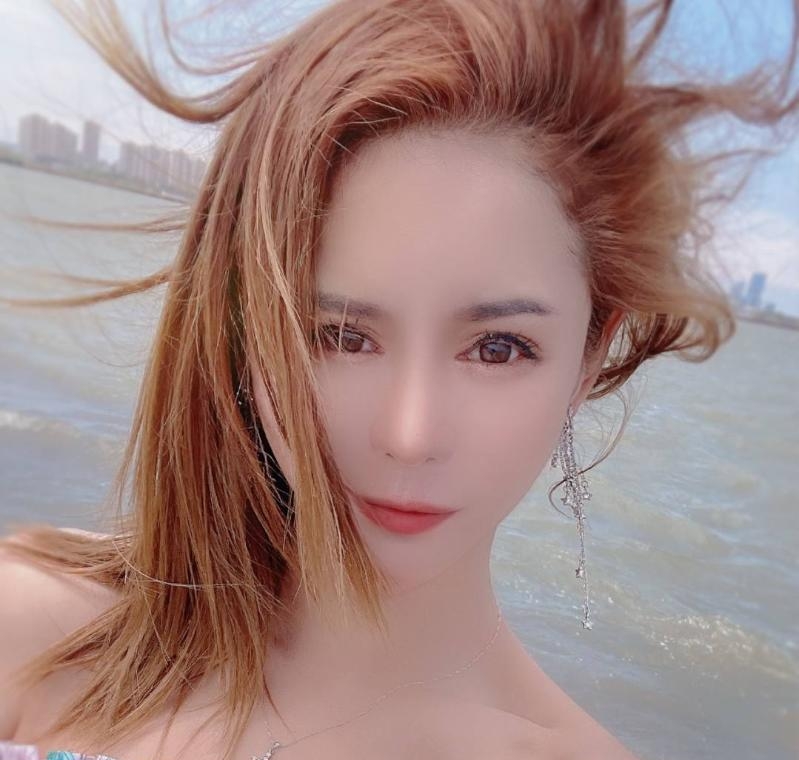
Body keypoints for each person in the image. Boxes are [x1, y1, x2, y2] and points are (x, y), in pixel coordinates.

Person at [1, 0, 797, 758]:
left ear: (590, 356)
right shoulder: (31, 628)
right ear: (243, 331)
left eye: (497, 349)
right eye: (341, 336)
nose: (408, 435)